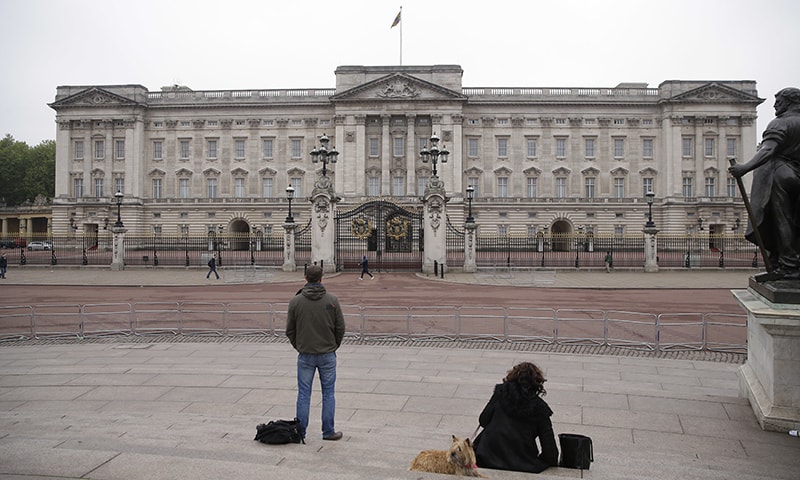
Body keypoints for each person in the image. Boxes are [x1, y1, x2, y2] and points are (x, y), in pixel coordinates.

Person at [729, 87, 800, 280]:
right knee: (795, 222)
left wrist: (744, 168)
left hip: (780, 176)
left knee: (781, 221)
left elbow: (767, 150)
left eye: (779, 101)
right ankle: (781, 262)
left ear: (790, 102)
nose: (776, 105)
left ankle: (789, 265)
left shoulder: (781, 123)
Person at [286, 265, 345, 441]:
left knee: (304, 394)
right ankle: (328, 431)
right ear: (321, 278)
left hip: (305, 353)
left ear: (305, 278)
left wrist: (300, 346)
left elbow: (290, 330)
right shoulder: (332, 300)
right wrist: (333, 345)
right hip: (327, 353)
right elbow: (340, 327)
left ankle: (301, 432)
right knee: (328, 393)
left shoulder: (295, 302)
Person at [474, 362, 558, 474]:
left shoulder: (501, 394)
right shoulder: (540, 408)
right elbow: (550, 450)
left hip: (486, 456)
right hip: (523, 462)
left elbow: (483, 420)